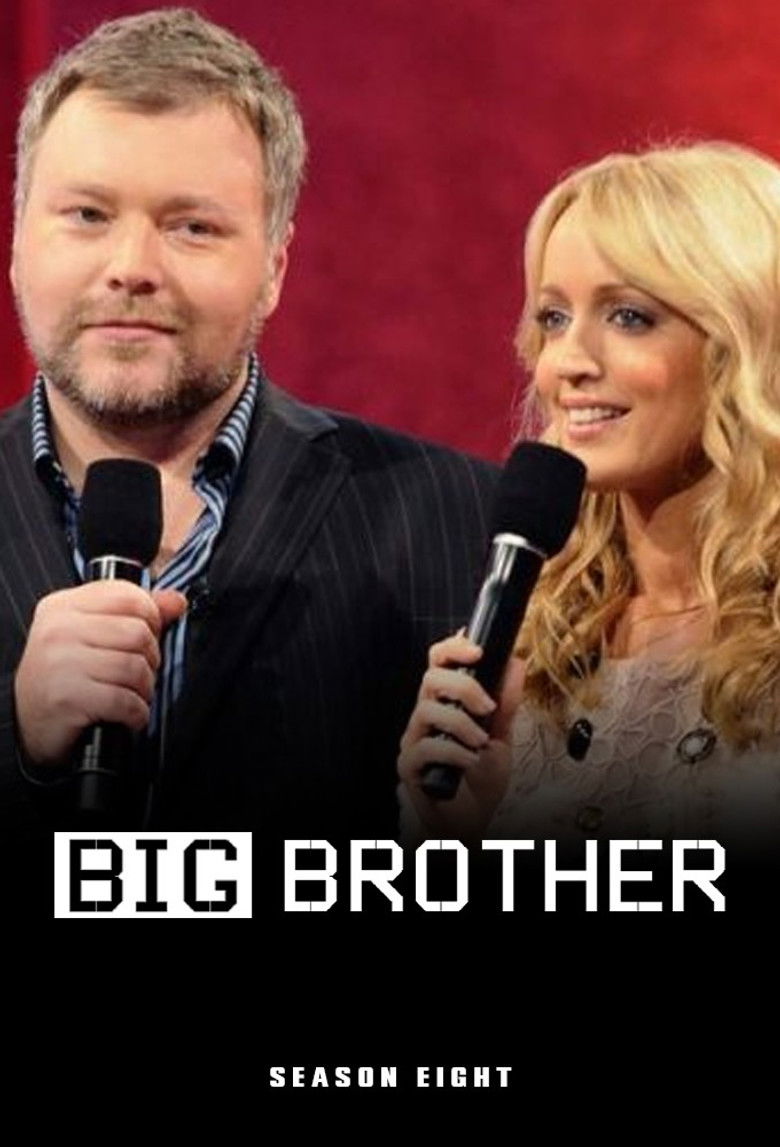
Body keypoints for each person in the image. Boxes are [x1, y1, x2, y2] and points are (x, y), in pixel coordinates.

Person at [0, 8, 497, 849]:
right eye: (86, 214)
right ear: (17, 244)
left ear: (274, 266)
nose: (132, 267)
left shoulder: (462, 525)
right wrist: (16, 740)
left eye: (192, 226)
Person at [399, 141, 780, 849]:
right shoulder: (535, 633)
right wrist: (459, 836)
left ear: (748, 344)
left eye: (629, 316)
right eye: (553, 318)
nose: (566, 362)